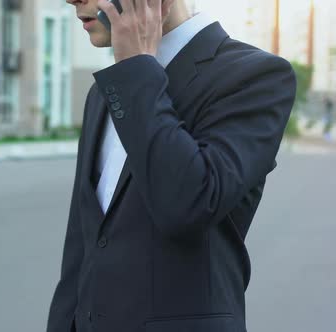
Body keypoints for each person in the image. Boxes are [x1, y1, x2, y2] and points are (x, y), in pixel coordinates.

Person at [46, 1, 297, 331]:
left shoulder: (255, 75)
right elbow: (82, 249)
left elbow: (187, 204)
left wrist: (137, 68)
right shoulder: (104, 92)